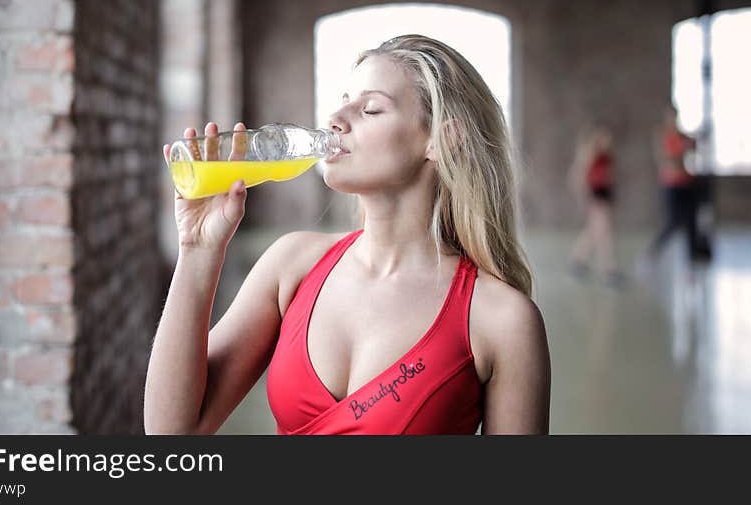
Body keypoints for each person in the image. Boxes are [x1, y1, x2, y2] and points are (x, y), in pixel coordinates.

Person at [144, 35, 551, 435]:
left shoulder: (503, 320)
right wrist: (197, 248)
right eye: (344, 101)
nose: (336, 120)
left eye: (371, 109)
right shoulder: (292, 264)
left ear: (443, 139)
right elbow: (171, 432)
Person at [567, 124, 624, 286]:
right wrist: (584, 198)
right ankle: (609, 269)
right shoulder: (589, 155)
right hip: (594, 197)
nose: (608, 142)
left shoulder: (608, 157)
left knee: (594, 231)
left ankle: (577, 260)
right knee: (604, 233)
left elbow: (611, 177)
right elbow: (578, 177)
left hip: (604, 195)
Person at [647, 104, 700, 261]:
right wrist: (681, 151)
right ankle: (653, 252)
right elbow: (664, 159)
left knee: (691, 220)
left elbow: (694, 147)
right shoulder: (662, 135)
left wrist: (690, 143)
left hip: (686, 183)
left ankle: (693, 256)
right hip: (670, 183)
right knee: (672, 222)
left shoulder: (682, 136)